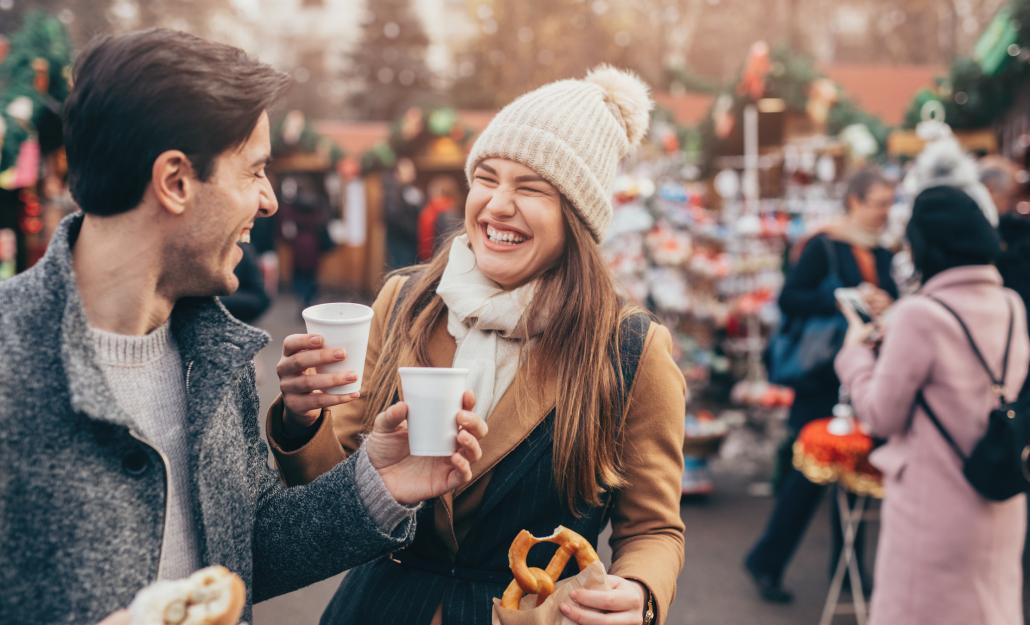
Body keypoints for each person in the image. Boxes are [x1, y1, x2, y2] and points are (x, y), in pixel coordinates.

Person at [0, 29, 486, 625]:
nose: (270, 201)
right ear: (175, 181)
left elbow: (246, 550)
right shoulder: (10, 357)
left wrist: (378, 483)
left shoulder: (215, 354)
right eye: (254, 171)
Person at [265, 66, 686, 625]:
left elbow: (654, 529)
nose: (497, 205)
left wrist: (639, 591)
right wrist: (305, 417)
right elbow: (331, 487)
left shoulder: (630, 349)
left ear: (577, 217)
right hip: (380, 607)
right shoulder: (404, 301)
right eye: (486, 178)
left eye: (530, 187)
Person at [835, 185, 1029, 625]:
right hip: (999, 497)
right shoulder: (1012, 306)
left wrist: (854, 354)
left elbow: (881, 413)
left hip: (933, 508)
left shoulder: (919, 316)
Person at [745, 167, 898, 602]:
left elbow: (892, 302)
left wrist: (886, 303)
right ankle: (767, 561)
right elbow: (790, 297)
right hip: (820, 377)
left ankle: (846, 569)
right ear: (855, 202)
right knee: (807, 475)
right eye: (878, 203)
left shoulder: (884, 251)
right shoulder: (824, 245)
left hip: (864, 374)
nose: (885, 212)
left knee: (854, 474)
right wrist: (840, 297)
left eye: (889, 203)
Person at [384, 157, 423, 270]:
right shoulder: (393, 191)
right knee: (402, 270)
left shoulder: (412, 190)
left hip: (410, 240)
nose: (411, 174)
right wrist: (413, 231)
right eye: (407, 171)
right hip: (401, 240)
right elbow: (394, 216)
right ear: (397, 173)